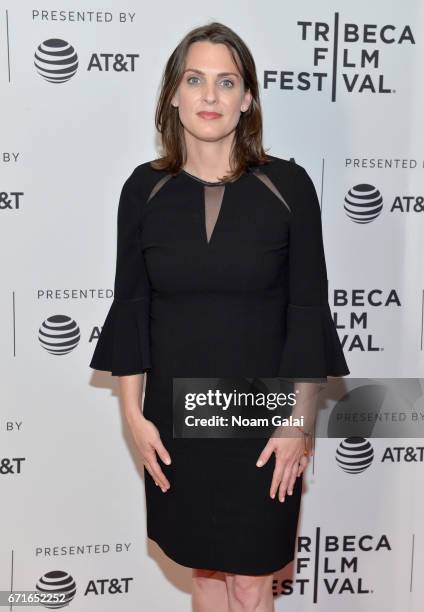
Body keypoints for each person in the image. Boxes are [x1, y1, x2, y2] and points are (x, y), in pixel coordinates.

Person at [89, 21, 349, 612]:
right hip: (178, 416)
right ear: (173, 95)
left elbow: (308, 310)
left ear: (248, 98)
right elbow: (131, 306)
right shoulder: (144, 190)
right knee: (204, 571)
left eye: (226, 82)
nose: (210, 96)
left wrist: (298, 424)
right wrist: (133, 414)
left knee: (253, 579)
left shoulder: (288, 186)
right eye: (196, 80)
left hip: (263, 416)